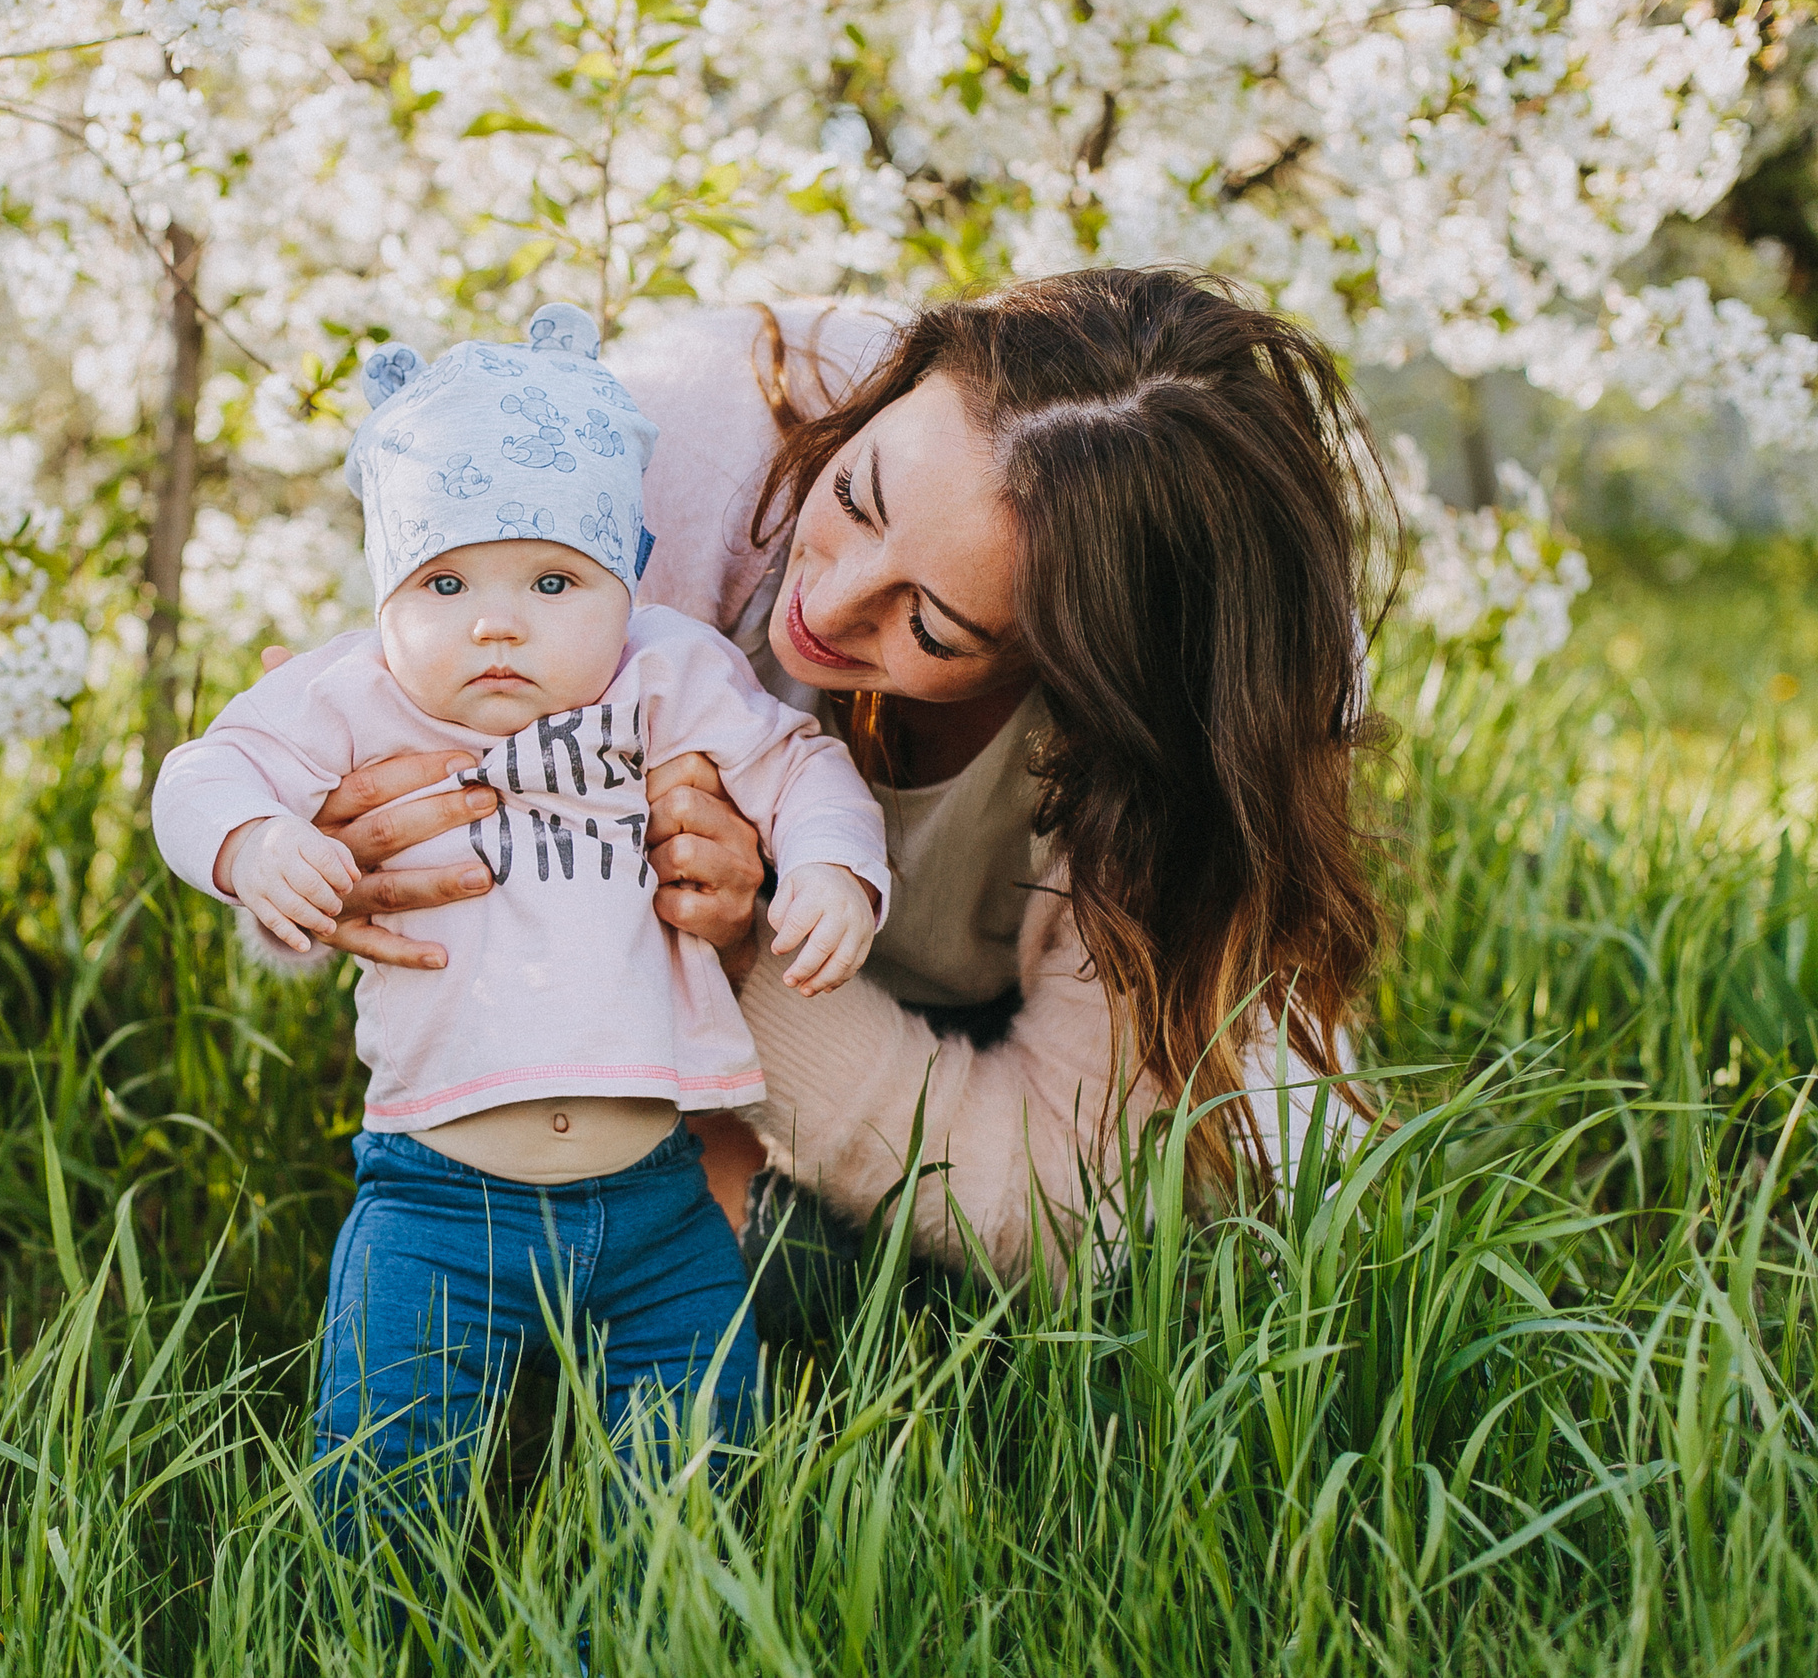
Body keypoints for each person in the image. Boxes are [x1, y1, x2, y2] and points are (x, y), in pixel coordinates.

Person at [258, 267, 1384, 1303]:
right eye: (857, 496)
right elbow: (356, 784)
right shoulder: (678, 450)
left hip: (876, 1012)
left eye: (931, 626)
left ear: (1085, 674)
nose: (829, 607)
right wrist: (337, 852)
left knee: (1255, 1225)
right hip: (645, 1037)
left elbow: (1058, 1201)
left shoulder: (1197, 710)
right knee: (681, 1261)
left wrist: (747, 953)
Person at [151, 302, 889, 1492]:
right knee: (387, 1476)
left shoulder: (664, 674)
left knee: (696, 1469)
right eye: (442, 583)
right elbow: (201, 773)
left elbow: (800, 766)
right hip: (434, 1202)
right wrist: (251, 841)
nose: (496, 621)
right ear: (386, 597)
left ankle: (661, 1626)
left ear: (625, 584)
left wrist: (828, 867)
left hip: (658, 1200)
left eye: (553, 579)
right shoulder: (356, 694)